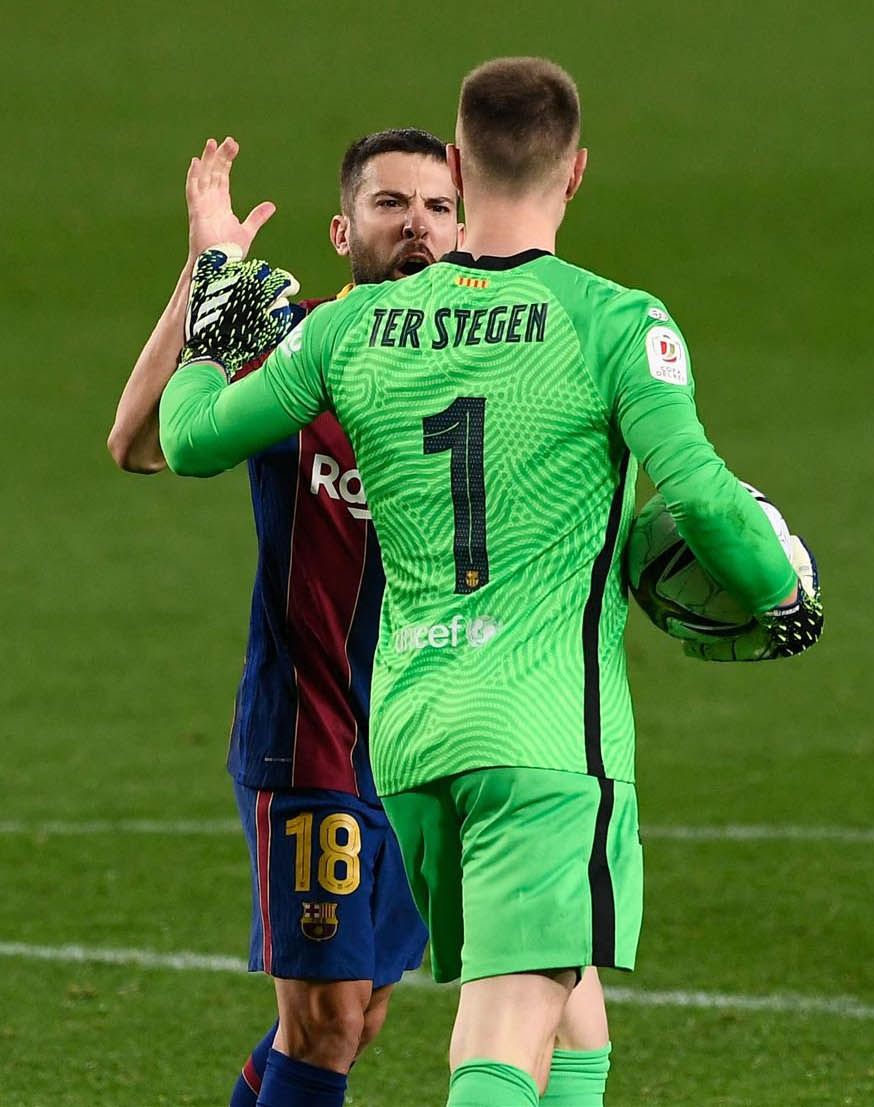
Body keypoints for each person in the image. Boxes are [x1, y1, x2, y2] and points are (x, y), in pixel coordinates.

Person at [155, 58, 823, 1107]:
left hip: (411, 738)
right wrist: (782, 598)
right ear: (580, 171)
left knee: (572, 1001)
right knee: (504, 1034)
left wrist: (216, 318)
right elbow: (700, 496)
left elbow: (185, 438)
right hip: (544, 739)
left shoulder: (346, 329)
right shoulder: (612, 321)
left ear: (458, 170)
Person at [110, 128, 611, 1107]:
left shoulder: (496, 360)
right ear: (345, 231)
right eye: (391, 205)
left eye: (437, 207)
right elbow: (138, 443)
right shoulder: (291, 345)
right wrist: (205, 277)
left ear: (467, 226)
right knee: (331, 1022)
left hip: (432, 747)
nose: (417, 226)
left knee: (359, 1012)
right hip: (312, 741)